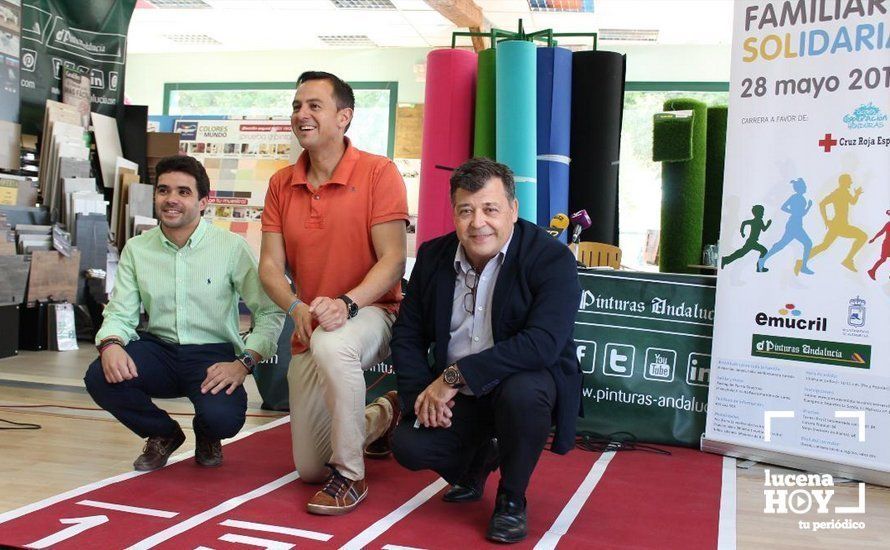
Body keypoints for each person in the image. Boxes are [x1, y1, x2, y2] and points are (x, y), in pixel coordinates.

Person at [389, 158, 582, 544]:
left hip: (519, 383)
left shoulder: (551, 258)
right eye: (466, 210)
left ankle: (512, 498)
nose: (478, 222)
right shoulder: (432, 256)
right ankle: (477, 463)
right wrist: (418, 398)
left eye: (490, 209)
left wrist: (455, 376)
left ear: (513, 209)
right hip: (462, 395)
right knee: (407, 445)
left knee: (524, 394)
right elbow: (407, 334)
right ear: (454, 214)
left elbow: (543, 343)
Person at [259, 71, 408, 515]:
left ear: (344, 117)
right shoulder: (281, 184)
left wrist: (347, 303)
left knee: (333, 341)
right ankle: (383, 415)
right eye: (297, 106)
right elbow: (269, 267)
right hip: (311, 320)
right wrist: (295, 306)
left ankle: (350, 476)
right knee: (308, 468)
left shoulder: (379, 172)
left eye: (314, 106)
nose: (301, 114)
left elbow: (393, 260)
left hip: (373, 310)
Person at [85, 155, 284, 471]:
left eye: (183, 192)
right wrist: (110, 345)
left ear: (204, 201)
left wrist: (244, 363)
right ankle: (163, 433)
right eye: (164, 191)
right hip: (159, 351)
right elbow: (120, 312)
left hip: (212, 356)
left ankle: (207, 433)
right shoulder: (137, 249)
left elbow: (270, 311)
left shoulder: (232, 248)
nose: (171, 200)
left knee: (224, 419)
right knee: (99, 375)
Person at [794, 173, 867, 274]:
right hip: (840, 226)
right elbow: (822, 203)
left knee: (824, 246)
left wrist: (857, 194)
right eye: (849, 180)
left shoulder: (845, 192)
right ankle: (848, 260)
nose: (851, 182)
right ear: (844, 182)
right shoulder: (837, 193)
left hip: (839, 226)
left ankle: (801, 262)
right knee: (863, 236)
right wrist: (825, 220)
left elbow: (852, 202)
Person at [758, 177, 814, 274]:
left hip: (796, 224)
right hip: (794, 225)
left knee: (781, 245)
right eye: (804, 186)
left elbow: (798, 213)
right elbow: (785, 208)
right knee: (806, 243)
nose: (805, 188)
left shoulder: (800, 198)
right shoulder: (796, 198)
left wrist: (804, 208)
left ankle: (763, 260)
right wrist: (798, 210)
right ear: (800, 188)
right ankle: (803, 267)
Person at [721, 204, 771, 271]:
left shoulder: (758, 221)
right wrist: (768, 224)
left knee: (741, 253)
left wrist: (742, 232)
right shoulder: (758, 221)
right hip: (751, 242)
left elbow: (746, 223)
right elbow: (745, 223)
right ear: (757, 213)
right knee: (763, 251)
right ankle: (759, 268)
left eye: (763, 212)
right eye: (762, 212)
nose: (763, 214)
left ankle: (726, 260)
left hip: (752, 242)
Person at [867, 210, 890, 280]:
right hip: (887, 244)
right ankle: (872, 271)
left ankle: (872, 271)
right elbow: (881, 232)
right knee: (883, 259)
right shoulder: (888, 224)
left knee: (883, 259)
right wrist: (874, 239)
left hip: (887, 244)